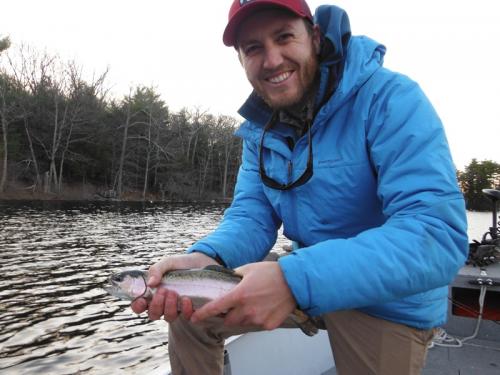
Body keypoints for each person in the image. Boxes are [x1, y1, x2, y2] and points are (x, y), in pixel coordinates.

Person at [132, 0, 468, 374]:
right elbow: (251, 217)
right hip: (304, 274)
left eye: (284, 37)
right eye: (253, 48)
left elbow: (436, 236)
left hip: (388, 301)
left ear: (315, 36)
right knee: (189, 313)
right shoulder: (258, 131)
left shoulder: (392, 99)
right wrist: (209, 259)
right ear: (241, 61)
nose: (272, 60)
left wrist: (295, 279)